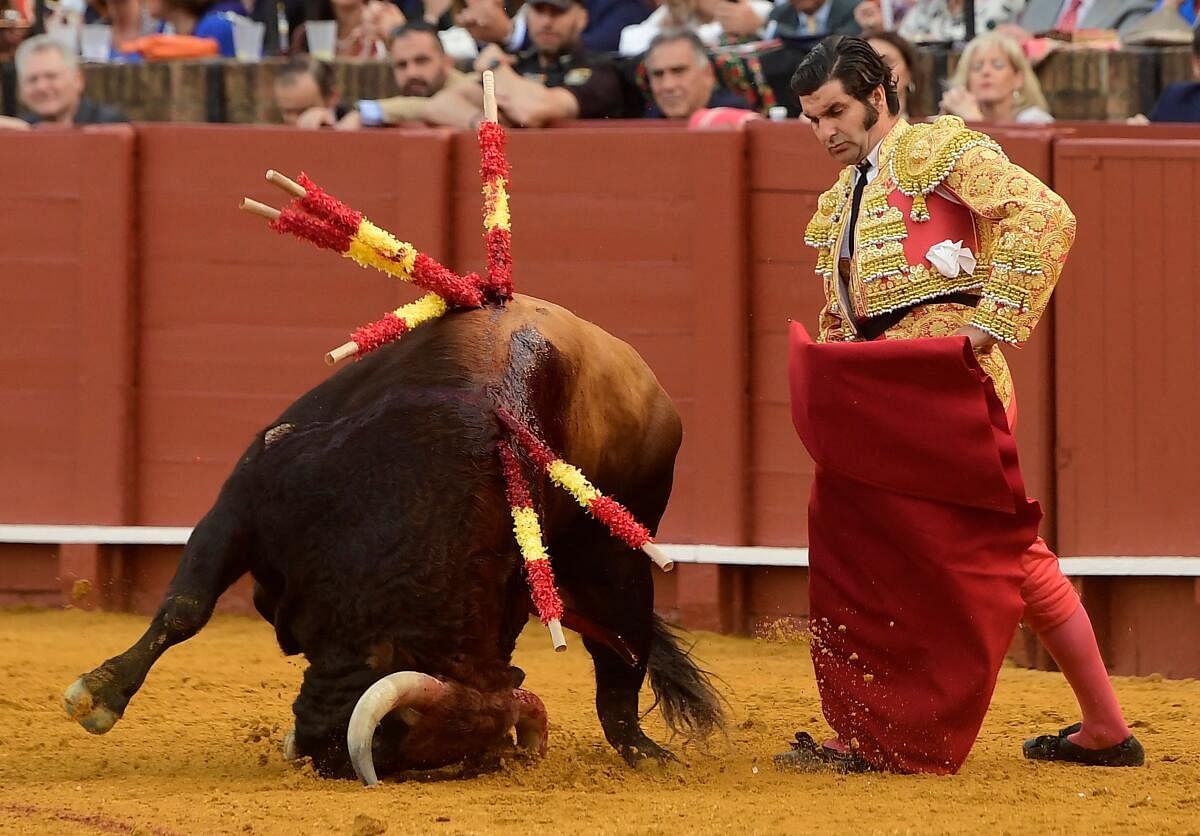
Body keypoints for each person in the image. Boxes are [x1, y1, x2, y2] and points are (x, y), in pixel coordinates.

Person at [774, 34, 1143, 773]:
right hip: (883, 390)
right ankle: (879, 729)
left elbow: (1045, 216)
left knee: (1002, 549)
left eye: (836, 111)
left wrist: (989, 323)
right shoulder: (844, 195)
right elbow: (845, 312)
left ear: (879, 95)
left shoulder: (937, 153)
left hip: (945, 382)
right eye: (812, 119)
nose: (825, 131)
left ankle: (1103, 727)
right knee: (881, 550)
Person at [421, 0, 626, 129]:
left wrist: (495, 66)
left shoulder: (601, 70)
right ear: (527, 14)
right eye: (539, 10)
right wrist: (483, 123)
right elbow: (438, 105)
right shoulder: (518, 64)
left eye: (557, 12)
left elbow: (532, 111)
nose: (546, 22)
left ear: (581, 18)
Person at [338, 20, 471, 129]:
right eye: (401, 65)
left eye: (422, 61)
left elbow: (435, 106)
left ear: (447, 63)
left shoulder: (472, 90)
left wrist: (366, 112)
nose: (411, 73)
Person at [0, 34, 128, 130]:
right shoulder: (21, 129)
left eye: (51, 76)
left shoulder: (110, 125)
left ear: (78, 80)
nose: (41, 87)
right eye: (32, 79)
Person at [941, 32, 1054, 124]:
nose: (986, 72)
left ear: (1018, 79)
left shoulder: (1034, 121)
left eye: (997, 66)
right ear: (967, 80)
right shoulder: (959, 118)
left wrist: (975, 122)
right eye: (977, 67)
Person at [643, 29, 753, 119]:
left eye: (679, 71)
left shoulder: (736, 118)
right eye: (658, 74)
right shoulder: (649, 120)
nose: (668, 85)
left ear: (707, 73)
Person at [272, 54, 352, 127]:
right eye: (286, 112)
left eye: (303, 111)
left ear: (332, 97)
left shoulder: (352, 120)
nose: (295, 121)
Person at [898, 0, 1026, 43]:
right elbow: (903, 39)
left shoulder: (1000, 5)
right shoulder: (929, 6)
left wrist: (932, 38)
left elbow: (978, 36)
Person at [863, 28, 920, 118]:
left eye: (886, 63)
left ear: (909, 72)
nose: (877, 70)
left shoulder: (933, 127)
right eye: (867, 63)